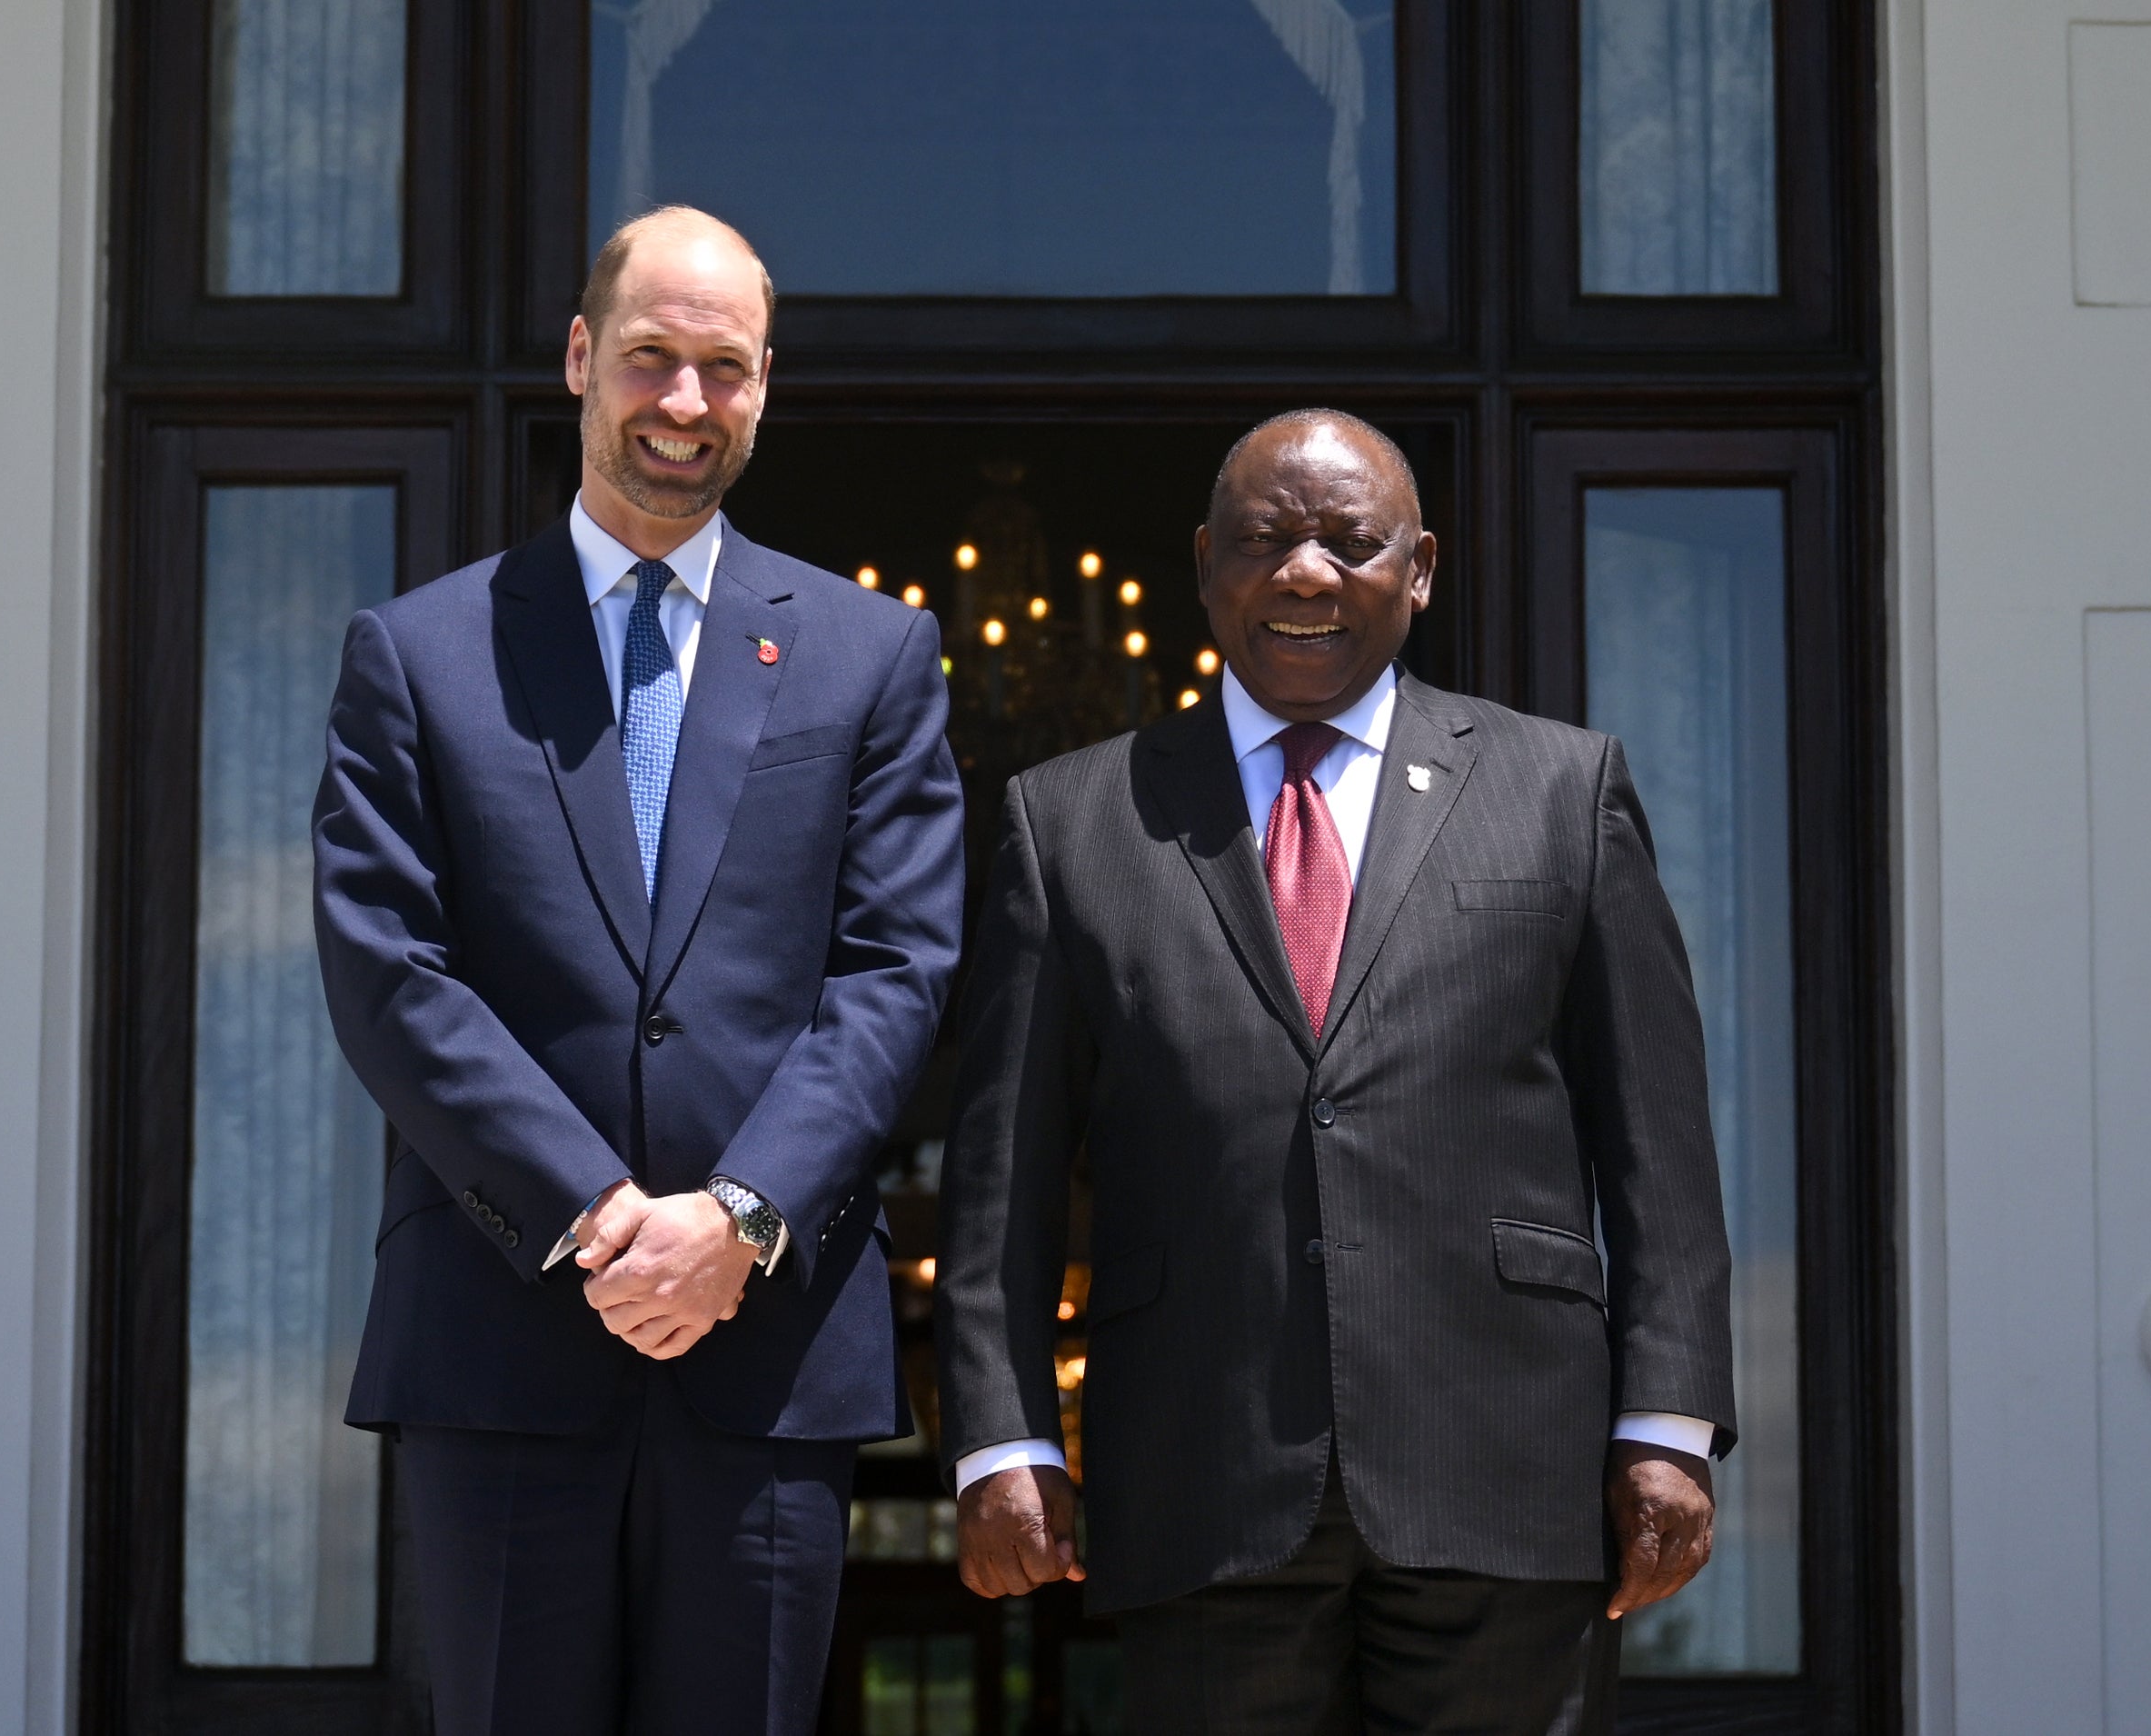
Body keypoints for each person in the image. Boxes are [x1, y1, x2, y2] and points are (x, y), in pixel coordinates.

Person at [933, 410, 1735, 1734]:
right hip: (1203, 1467)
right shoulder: (1070, 818)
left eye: (1350, 544)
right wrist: (1003, 1434)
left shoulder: (1560, 789)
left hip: (1505, 1466)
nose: (1305, 574)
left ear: (1419, 568)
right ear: (1204, 564)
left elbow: (1661, 1147)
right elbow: (999, 1171)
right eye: (1265, 541)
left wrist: (1668, 1420)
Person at [314, 206, 964, 1735]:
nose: (684, 403)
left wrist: (737, 1221)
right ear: (580, 359)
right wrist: (600, 1218)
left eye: (722, 369)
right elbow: (390, 972)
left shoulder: (873, 657)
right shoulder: (419, 652)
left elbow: (897, 969)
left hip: (767, 1354)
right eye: (653, 360)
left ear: (763, 386)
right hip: (502, 1338)